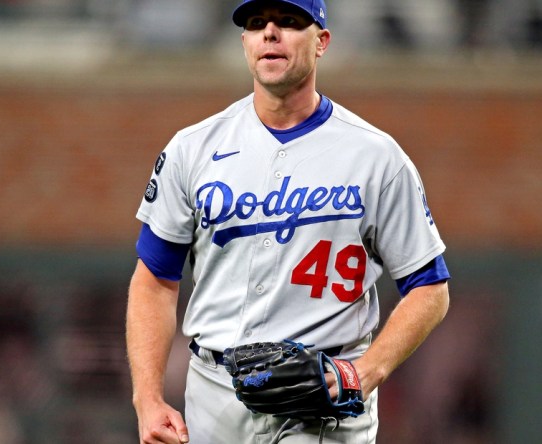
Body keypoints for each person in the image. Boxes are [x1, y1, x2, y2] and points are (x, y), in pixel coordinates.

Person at [126, 1, 451, 442]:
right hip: (215, 393)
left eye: (290, 22)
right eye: (257, 23)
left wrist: (364, 372)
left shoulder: (377, 158)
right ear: (244, 43)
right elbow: (153, 280)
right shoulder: (192, 149)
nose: (271, 33)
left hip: (325, 397)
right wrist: (147, 399)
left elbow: (430, 288)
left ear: (322, 42)